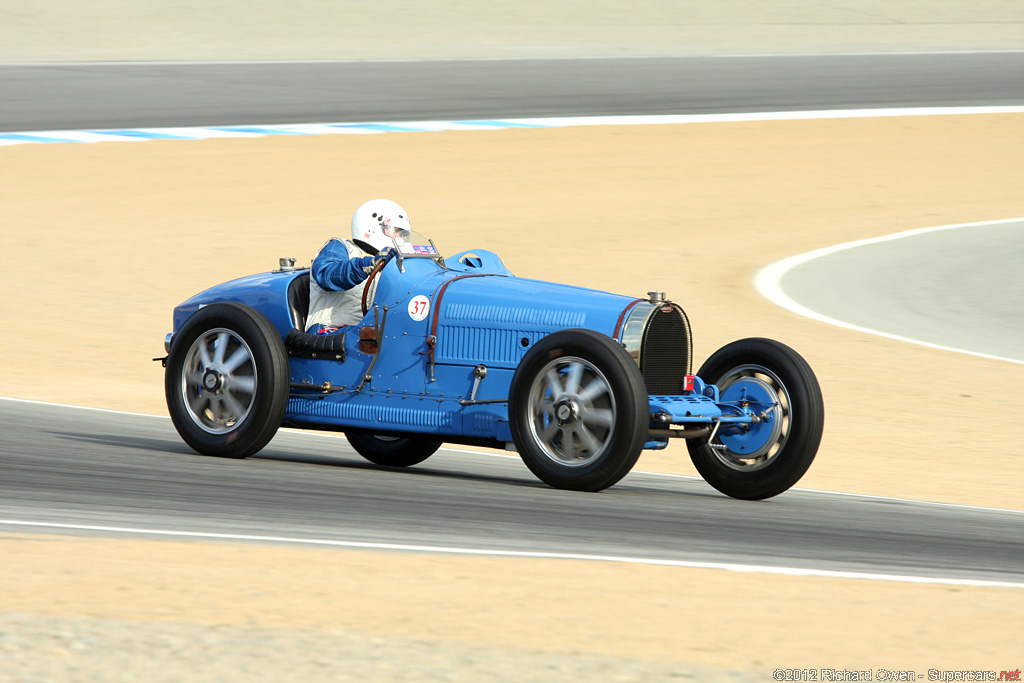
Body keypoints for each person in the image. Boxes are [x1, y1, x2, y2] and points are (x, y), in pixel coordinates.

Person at [305, 199, 411, 333]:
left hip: (368, 330)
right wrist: (366, 265)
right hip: (329, 329)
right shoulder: (341, 247)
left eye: (403, 234)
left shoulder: (391, 263)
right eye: (396, 231)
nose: (400, 238)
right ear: (373, 227)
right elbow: (325, 275)